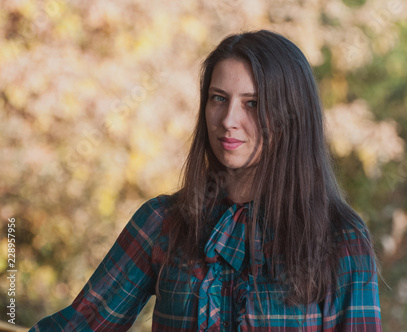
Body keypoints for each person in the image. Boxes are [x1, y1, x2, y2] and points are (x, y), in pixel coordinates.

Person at [30, 30, 382, 331]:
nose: (228, 119)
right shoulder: (162, 221)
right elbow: (79, 325)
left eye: (253, 103)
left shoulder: (340, 238)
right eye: (218, 98)